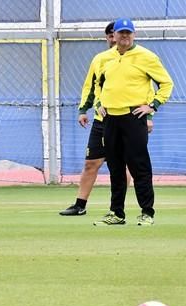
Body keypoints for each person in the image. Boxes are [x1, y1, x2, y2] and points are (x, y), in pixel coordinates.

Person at [59, 21, 154, 216]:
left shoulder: (139, 58)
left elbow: (147, 89)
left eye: (117, 34)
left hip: (128, 119)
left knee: (127, 164)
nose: (114, 38)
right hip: (103, 121)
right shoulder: (101, 60)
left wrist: (149, 115)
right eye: (111, 35)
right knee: (90, 163)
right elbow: (90, 87)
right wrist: (83, 109)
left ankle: (120, 207)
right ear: (108, 38)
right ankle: (80, 205)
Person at [93, 18, 174, 226]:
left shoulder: (146, 57)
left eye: (129, 33)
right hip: (110, 119)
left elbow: (166, 84)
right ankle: (117, 213)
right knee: (115, 167)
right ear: (114, 36)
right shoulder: (105, 58)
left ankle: (147, 212)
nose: (125, 37)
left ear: (134, 35)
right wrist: (99, 103)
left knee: (139, 166)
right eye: (121, 33)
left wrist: (152, 106)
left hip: (133, 117)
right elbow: (98, 84)